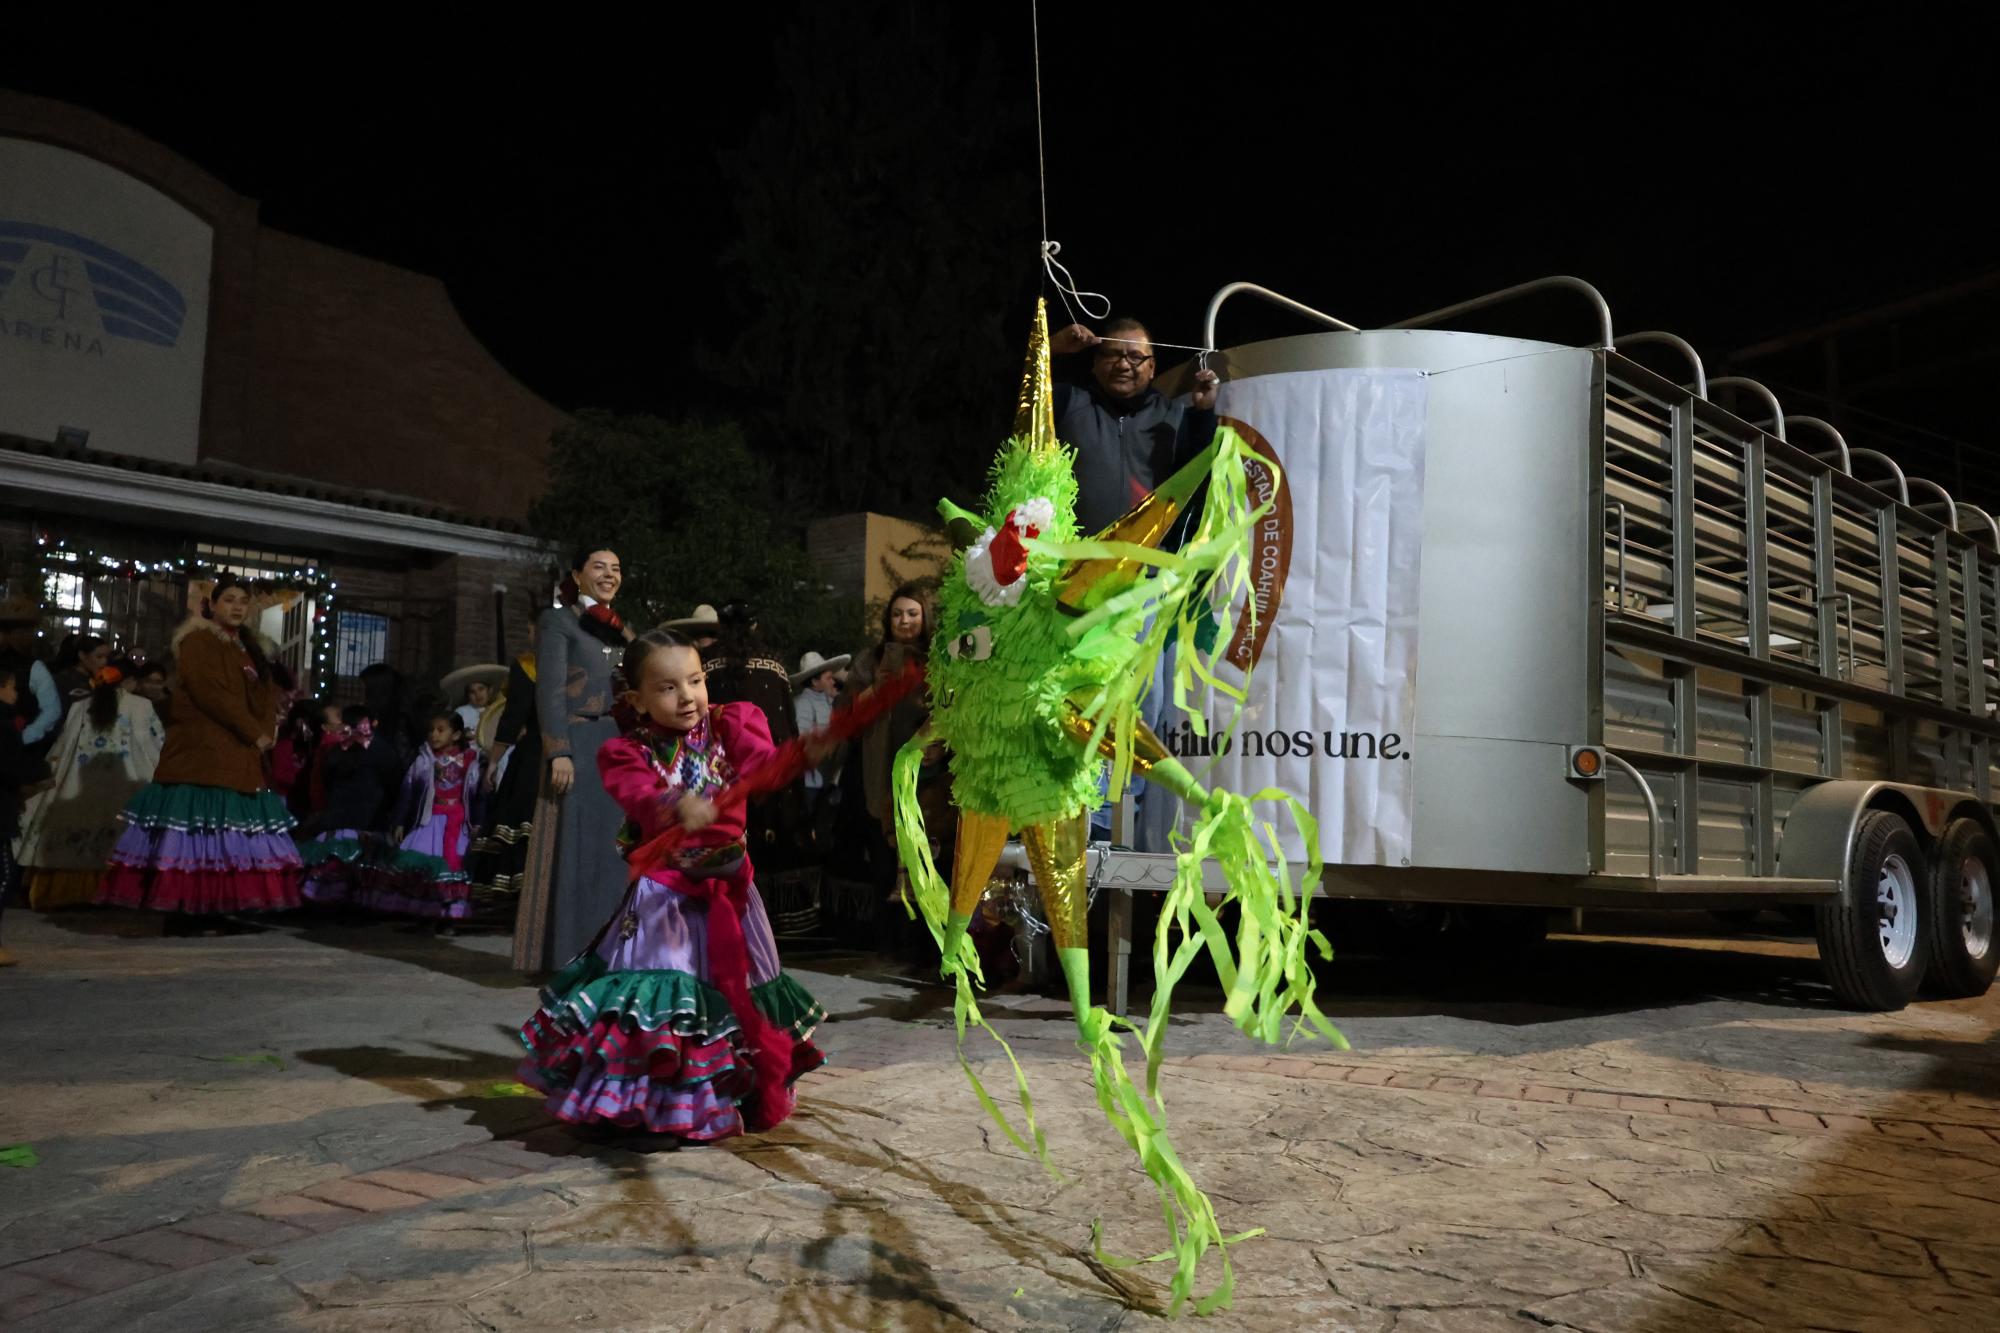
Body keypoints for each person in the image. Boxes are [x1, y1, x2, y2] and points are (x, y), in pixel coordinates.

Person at [516, 629, 825, 1139]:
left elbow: (763, 766)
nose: (687, 697)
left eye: (696, 681)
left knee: (738, 996)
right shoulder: (624, 752)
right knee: (666, 1000)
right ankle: (655, 1102)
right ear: (636, 699)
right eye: (667, 688)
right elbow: (638, 794)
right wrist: (677, 804)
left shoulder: (733, 723)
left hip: (732, 890)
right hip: (667, 895)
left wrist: (797, 755)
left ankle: (728, 1091)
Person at [99, 575, 303, 932]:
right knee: (196, 835)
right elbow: (210, 692)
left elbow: (264, 694)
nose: (237, 606)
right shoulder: (197, 640)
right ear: (213, 604)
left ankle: (213, 908)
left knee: (224, 837)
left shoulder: (249, 647)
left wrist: (267, 728)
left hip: (237, 754)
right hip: (203, 754)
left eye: (243, 600)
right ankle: (183, 912)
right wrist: (253, 731)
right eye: (229, 599)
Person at [513, 546, 635, 971]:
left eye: (616, 569)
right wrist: (558, 750)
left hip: (618, 747)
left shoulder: (622, 629)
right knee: (573, 849)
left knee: (612, 851)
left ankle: (611, 951)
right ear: (577, 576)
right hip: (579, 743)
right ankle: (567, 952)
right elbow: (547, 689)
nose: (609, 575)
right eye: (599, 567)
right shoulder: (558, 621)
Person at [831, 584, 944, 941]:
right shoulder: (871, 659)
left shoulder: (938, 658)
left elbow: (949, 708)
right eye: (897, 614)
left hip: (925, 777)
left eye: (912, 613)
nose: (904, 620)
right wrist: (875, 689)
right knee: (884, 860)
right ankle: (890, 944)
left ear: (925, 617)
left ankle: (925, 946)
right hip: (880, 772)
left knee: (926, 859)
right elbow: (845, 716)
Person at [1049, 317, 1221, 535]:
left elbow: (1200, 482)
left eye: (1135, 357)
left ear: (1151, 367)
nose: (1122, 365)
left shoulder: (1175, 418)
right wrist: (1052, 347)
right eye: (1111, 354)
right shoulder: (1066, 403)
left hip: (1146, 565)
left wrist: (1205, 413)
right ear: (1095, 363)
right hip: (1072, 562)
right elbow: (1020, 400)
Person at [704, 604, 817, 936]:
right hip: (773, 770)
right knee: (774, 840)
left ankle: (729, 920)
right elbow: (786, 725)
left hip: (724, 771)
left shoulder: (707, 664)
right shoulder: (774, 664)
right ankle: (774, 928)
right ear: (755, 627)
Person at [16, 658, 164, 910]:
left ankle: (65, 893)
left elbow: (62, 747)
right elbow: (155, 744)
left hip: (78, 785)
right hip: (125, 785)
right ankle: (122, 893)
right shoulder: (141, 706)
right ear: (129, 682)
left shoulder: (81, 706)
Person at [361, 710, 482, 929]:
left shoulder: (470, 761)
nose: (434, 735)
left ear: (455, 735)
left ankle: (450, 914)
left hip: (457, 824)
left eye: (440, 730)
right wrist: (399, 821)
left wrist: (478, 821)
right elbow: (407, 792)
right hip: (429, 822)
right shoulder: (423, 760)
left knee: (453, 867)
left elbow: (477, 795)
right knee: (424, 866)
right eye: (431, 730)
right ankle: (425, 913)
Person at [298, 704, 399, 908]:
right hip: (369, 816)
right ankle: (358, 903)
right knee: (363, 864)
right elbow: (394, 780)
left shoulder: (338, 748)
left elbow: (327, 778)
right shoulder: (381, 748)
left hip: (339, 814)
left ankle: (332, 901)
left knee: (338, 863)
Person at [467, 634, 541, 904]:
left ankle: (528, 901)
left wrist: (494, 761)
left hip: (535, 755)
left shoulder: (529, 666)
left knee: (524, 819)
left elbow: (513, 718)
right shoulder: (581, 663)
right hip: (577, 754)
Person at [0, 653, 52, 966]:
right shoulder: (3, 726)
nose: (17, 695)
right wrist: (43, 769)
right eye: (13, 688)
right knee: (4, 877)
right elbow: (11, 767)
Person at [0, 597, 64, 756]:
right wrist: (26, 737)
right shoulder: (34, 667)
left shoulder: (32, 667)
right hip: (17, 754)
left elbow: (52, 711)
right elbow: (52, 710)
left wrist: (24, 737)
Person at [790, 649, 850, 819]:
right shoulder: (803, 704)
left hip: (826, 779)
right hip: (810, 782)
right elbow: (804, 740)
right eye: (828, 677)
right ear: (815, 681)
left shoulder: (828, 701)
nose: (832, 681)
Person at [50, 634, 112, 704]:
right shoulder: (63, 679)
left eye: (107, 657)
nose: (104, 661)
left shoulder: (105, 679)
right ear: (82, 655)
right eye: (99, 657)